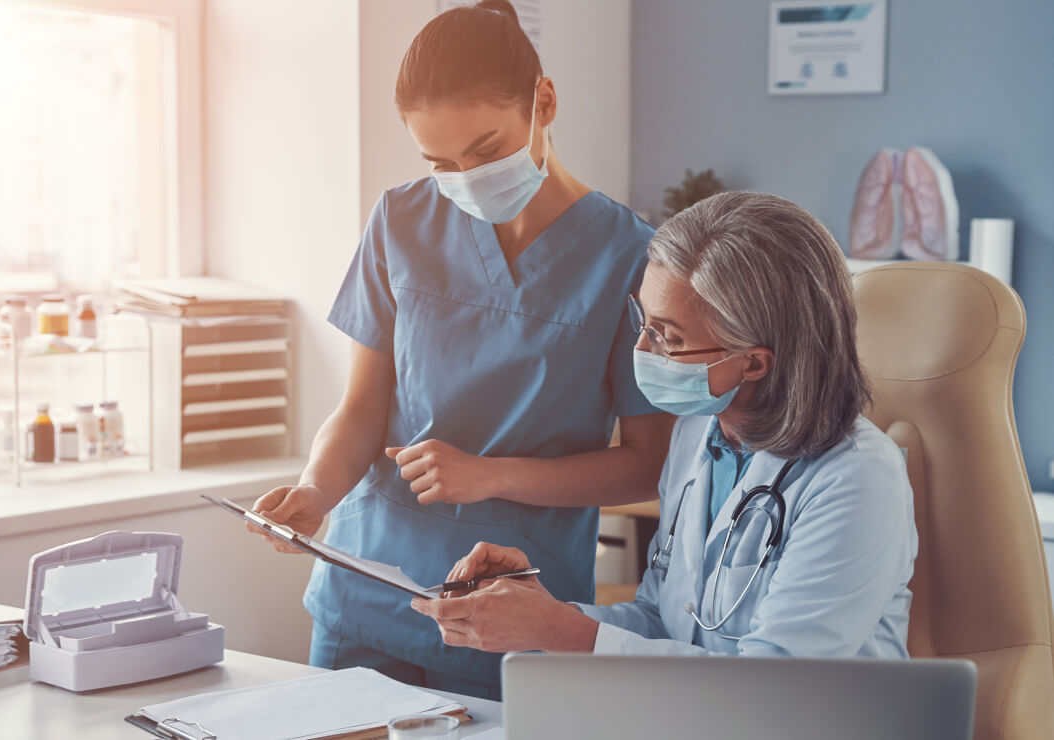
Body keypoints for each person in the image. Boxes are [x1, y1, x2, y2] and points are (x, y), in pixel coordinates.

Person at [249, 0, 674, 698]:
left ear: (544, 101)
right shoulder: (399, 220)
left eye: (487, 151)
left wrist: (490, 475)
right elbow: (361, 407)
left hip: (512, 615)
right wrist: (314, 491)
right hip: (365, 595)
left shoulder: (630, 257)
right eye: (441, 161)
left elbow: (646, 465)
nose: (467, 179)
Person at [413, 191, 918, 659]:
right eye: (643, 323)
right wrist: (543, 615)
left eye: (666, 337)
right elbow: (662, 621)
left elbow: (774, 689)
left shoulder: (857, 479)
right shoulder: (699, 437)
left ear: (755, 363)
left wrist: (561, 633)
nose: (642, 352)